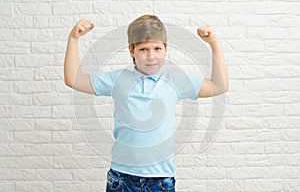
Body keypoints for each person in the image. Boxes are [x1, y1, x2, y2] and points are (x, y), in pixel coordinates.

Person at [64, 14, 228, 192]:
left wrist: (214, 43)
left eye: (157, 48)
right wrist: (73, 39)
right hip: (122, 178)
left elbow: (219, 85)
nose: (151, 56)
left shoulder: (175, 80)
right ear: (131, 50)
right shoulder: (118, 79)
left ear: (165, 50)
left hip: (160, 180)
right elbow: (73, 79)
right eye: (143, 49)